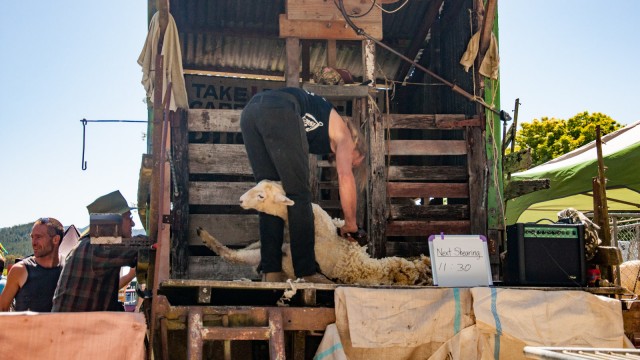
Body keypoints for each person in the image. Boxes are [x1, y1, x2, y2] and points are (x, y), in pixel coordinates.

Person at [240, 87, 366, 283]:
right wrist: (351, 223)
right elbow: (345, 176)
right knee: (298, 194)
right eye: (355, 161)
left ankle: (271, 271)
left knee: (270, 194)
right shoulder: (346, 136)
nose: (351, 163)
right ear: (357, 146)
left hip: (250, 113)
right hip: (280, 108)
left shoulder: (324, 127)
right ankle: (306, 271)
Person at [52, 190, 139, 312]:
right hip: (76, 329)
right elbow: (139, 249)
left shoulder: (88, 244)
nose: (133, 223)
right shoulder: (98, 246)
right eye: (129, 218)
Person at [0, 217, 64, 312]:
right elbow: (2, 309)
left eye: (38, 237)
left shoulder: (68, 266)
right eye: (32, 237)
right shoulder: (20, 270)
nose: (33, 243)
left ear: (55, 239)